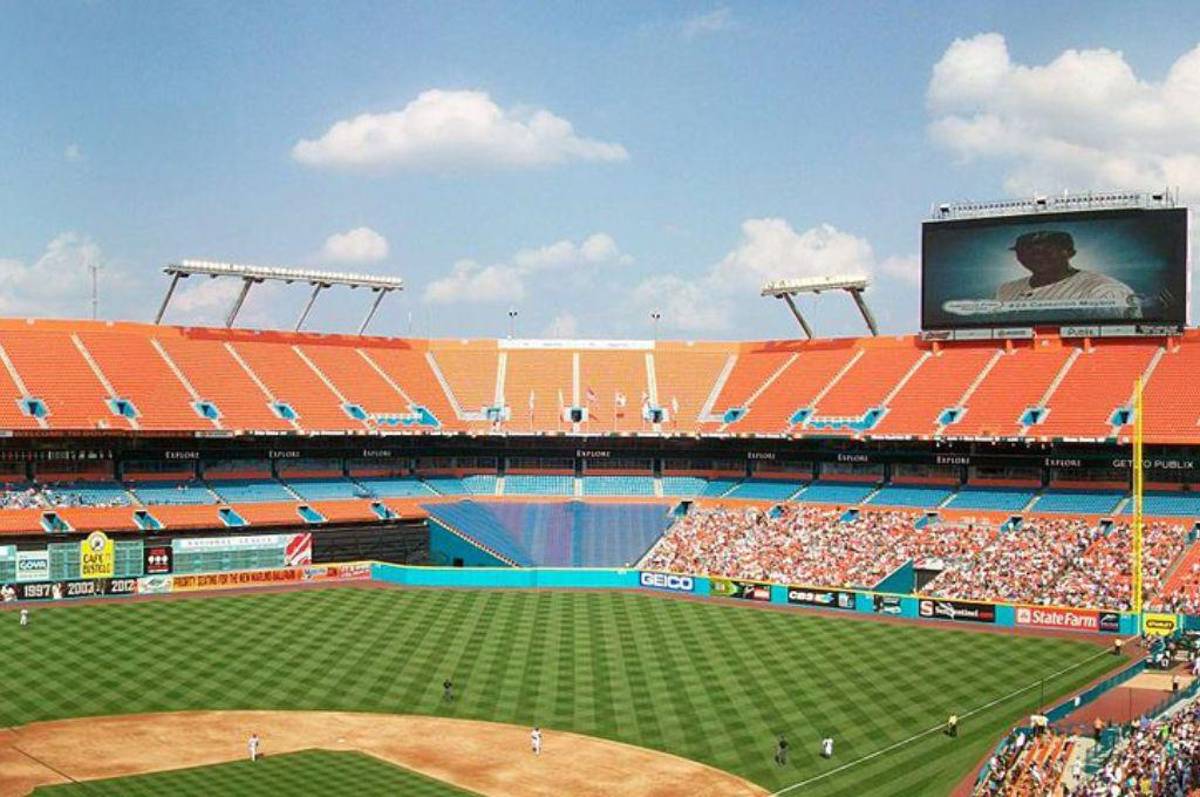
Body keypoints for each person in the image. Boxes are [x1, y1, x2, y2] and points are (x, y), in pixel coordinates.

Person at [995, 231, 1139, 318]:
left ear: (1070, 253)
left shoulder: (1104, 290)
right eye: (1027, 251)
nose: (1036, 256)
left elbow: (1116, 338)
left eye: (1046, 250)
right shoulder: (1006, 289)